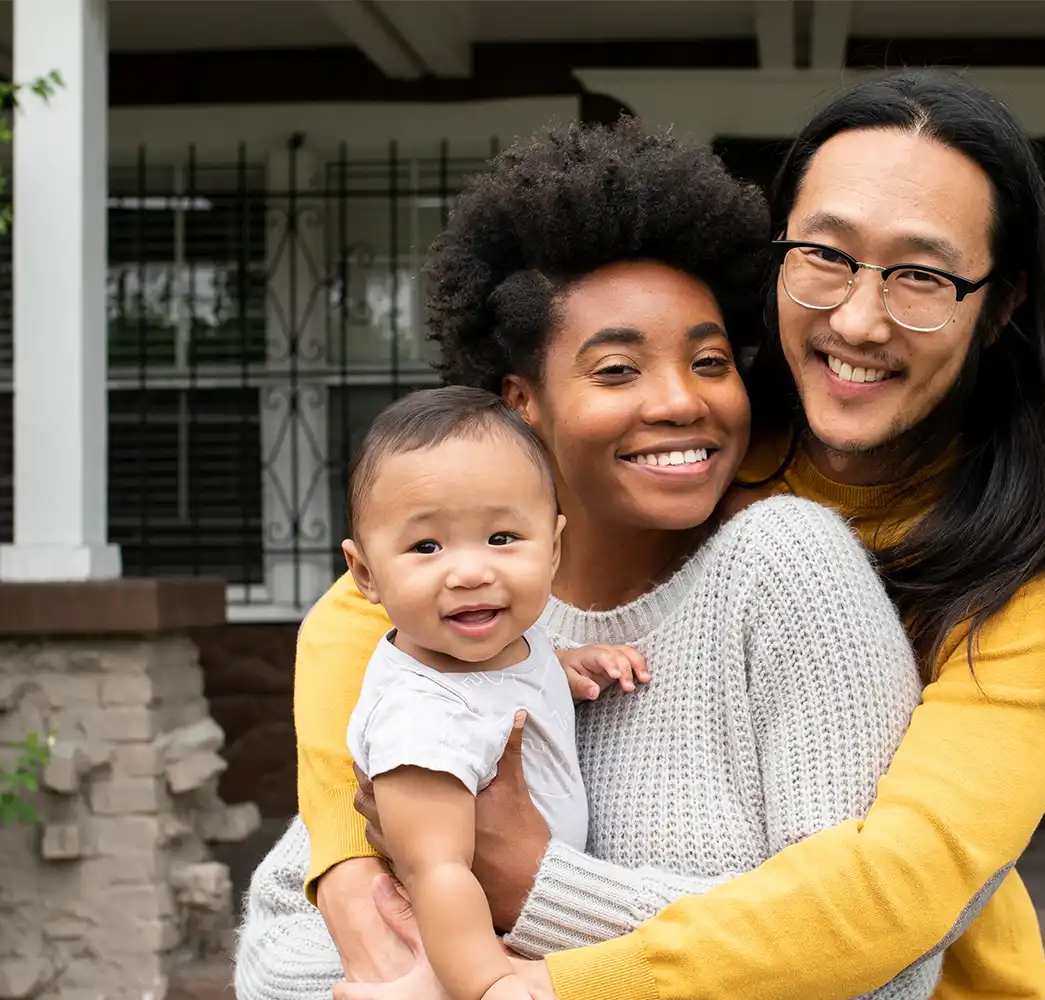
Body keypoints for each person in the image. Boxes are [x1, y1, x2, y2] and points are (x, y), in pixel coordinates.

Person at [311, 68, 1045, 1000]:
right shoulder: (704, 438)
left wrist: (546, 945)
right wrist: (347, 870)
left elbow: (909, 886)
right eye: (826, 255)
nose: (858, 319)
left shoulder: (1022, 548)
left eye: (923, 275)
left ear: (1000, 301)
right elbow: (363, 614)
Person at [234, 118, 940, 1000]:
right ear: (523, 405)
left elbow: (882, 966)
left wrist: (531, 889)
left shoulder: (785, 569)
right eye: (616, 371)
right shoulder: (459, 621)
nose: (682, 400)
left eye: (711, 361)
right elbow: (282, 954)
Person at [334, 386, 648, 1000]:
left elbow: (501, 686)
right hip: (451, 942)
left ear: (553, 548)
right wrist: (490, 983)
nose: (472, 571)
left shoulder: (502, 647)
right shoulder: (421, 722)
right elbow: (438, 871)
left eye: (502, 538)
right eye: (427, 547)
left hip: (524, 914)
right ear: (366, 574)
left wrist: (562, 667)